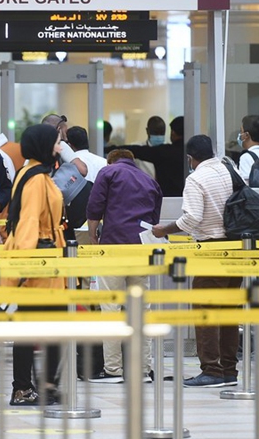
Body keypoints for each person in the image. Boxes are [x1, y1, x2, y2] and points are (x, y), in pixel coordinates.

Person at [151, 135, 241, 388]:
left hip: (211, 249)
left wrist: (164, 230)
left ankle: (212, 370)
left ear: (190, 158)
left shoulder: (196, 179)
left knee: (205, 310)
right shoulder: (228, 170)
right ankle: (229, 369)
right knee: (228, 311)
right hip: (236, 248)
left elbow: (191, 219)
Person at [2, 124, 65, 406]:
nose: (60, 146)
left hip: (44, 261)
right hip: (40, 264)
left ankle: (37, 386)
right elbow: (28, 220)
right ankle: (28, 387)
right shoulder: (37, 178)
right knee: (44, 327)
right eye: (57, 142)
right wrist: (26, 265)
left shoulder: (30, 171)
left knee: (40, 327)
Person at [86, 149, 161, 383]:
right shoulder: (149, 180)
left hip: (114, 247)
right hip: (141, 249)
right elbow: (155, 221)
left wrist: (92, 236)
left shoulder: (108, 172)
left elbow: (94, 206)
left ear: (112, 160)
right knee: (141, 310)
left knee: (110, 307)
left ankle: (113, 369)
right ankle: (142, 369)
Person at [110, 116, 185, 197]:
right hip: (142, 194)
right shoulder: (137, 148)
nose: (159, 136)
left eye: (162, 133)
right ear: (147, 131)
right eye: (155, 132)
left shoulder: (168, 151)